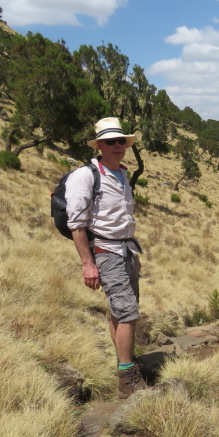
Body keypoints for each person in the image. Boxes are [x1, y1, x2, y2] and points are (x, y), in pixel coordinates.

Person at [65, 117, 146, 397]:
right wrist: (87, 264)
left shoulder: (122, 174)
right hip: (105, 252)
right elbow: (76, 223)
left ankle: (124, 365)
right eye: (110, 141)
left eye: (121, 140)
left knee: (120, 311)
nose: (117, 145)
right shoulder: (85, 176)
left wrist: (133, 253)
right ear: (99, 145)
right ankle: (127, 381)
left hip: (126, 250)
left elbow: (123, 218)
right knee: (128, 314)